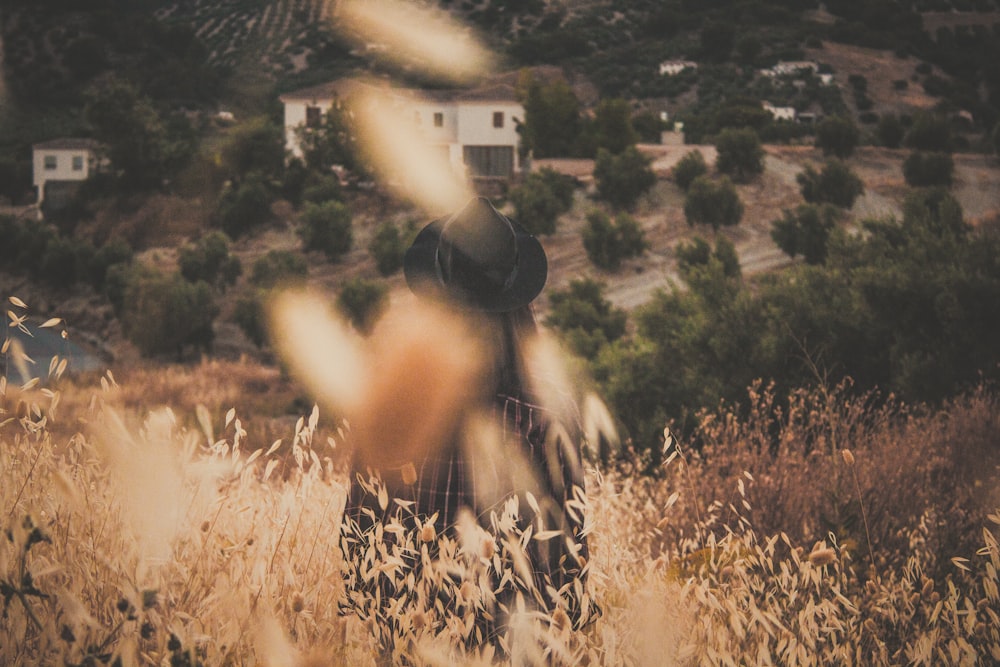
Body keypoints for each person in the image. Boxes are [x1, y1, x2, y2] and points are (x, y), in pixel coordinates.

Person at [338, 197, 598, 663]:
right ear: (519, 301)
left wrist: (396, 619)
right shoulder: (548, 412)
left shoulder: (396, 403)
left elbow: (359, 538)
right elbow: (568, 560)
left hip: (412, 645)